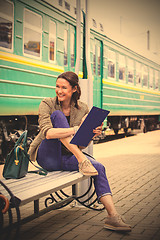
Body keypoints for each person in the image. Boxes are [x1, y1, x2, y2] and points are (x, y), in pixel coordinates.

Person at [28, 71, 131, 232]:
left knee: (99, 167)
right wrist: (76, 129)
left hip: (69, 155)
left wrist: (90, 133)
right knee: (58, 116)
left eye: (64, 87)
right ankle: (83, 161)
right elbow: (47, 133)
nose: (59, 91)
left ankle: (112, 216)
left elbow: (81, 144)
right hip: (48, 156)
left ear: (74, 89)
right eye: (57, 86)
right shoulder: (47, 103)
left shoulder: (83, 108)